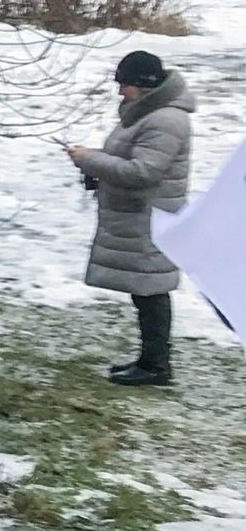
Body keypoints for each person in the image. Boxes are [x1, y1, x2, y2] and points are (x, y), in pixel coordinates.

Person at [69, 49, 196, 387]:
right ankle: (151, 361)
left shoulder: (165, 120)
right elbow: (127, 159)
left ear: (144, 84)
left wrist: (90, 161)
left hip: (148, 218)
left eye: (124, 84)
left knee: (151, 291)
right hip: (138, 216)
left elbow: (144, 172)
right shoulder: (145, 113)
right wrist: (97, 170)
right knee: (145, 292)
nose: (120, 91)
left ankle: (156, 366)